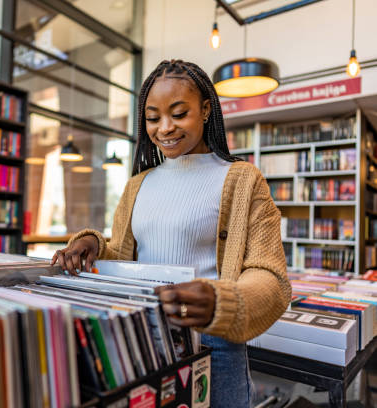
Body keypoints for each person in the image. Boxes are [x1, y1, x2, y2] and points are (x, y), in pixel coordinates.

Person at [51, 59, 291, 408]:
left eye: (179, 114)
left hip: (215, 343)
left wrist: (221, 301)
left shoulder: (242, 180)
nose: (165, 128)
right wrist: (91, 243)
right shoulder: (137, 185)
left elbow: (270, 276)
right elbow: (123, 254)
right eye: (153, 118)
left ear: (206, 109)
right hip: (144, 338)